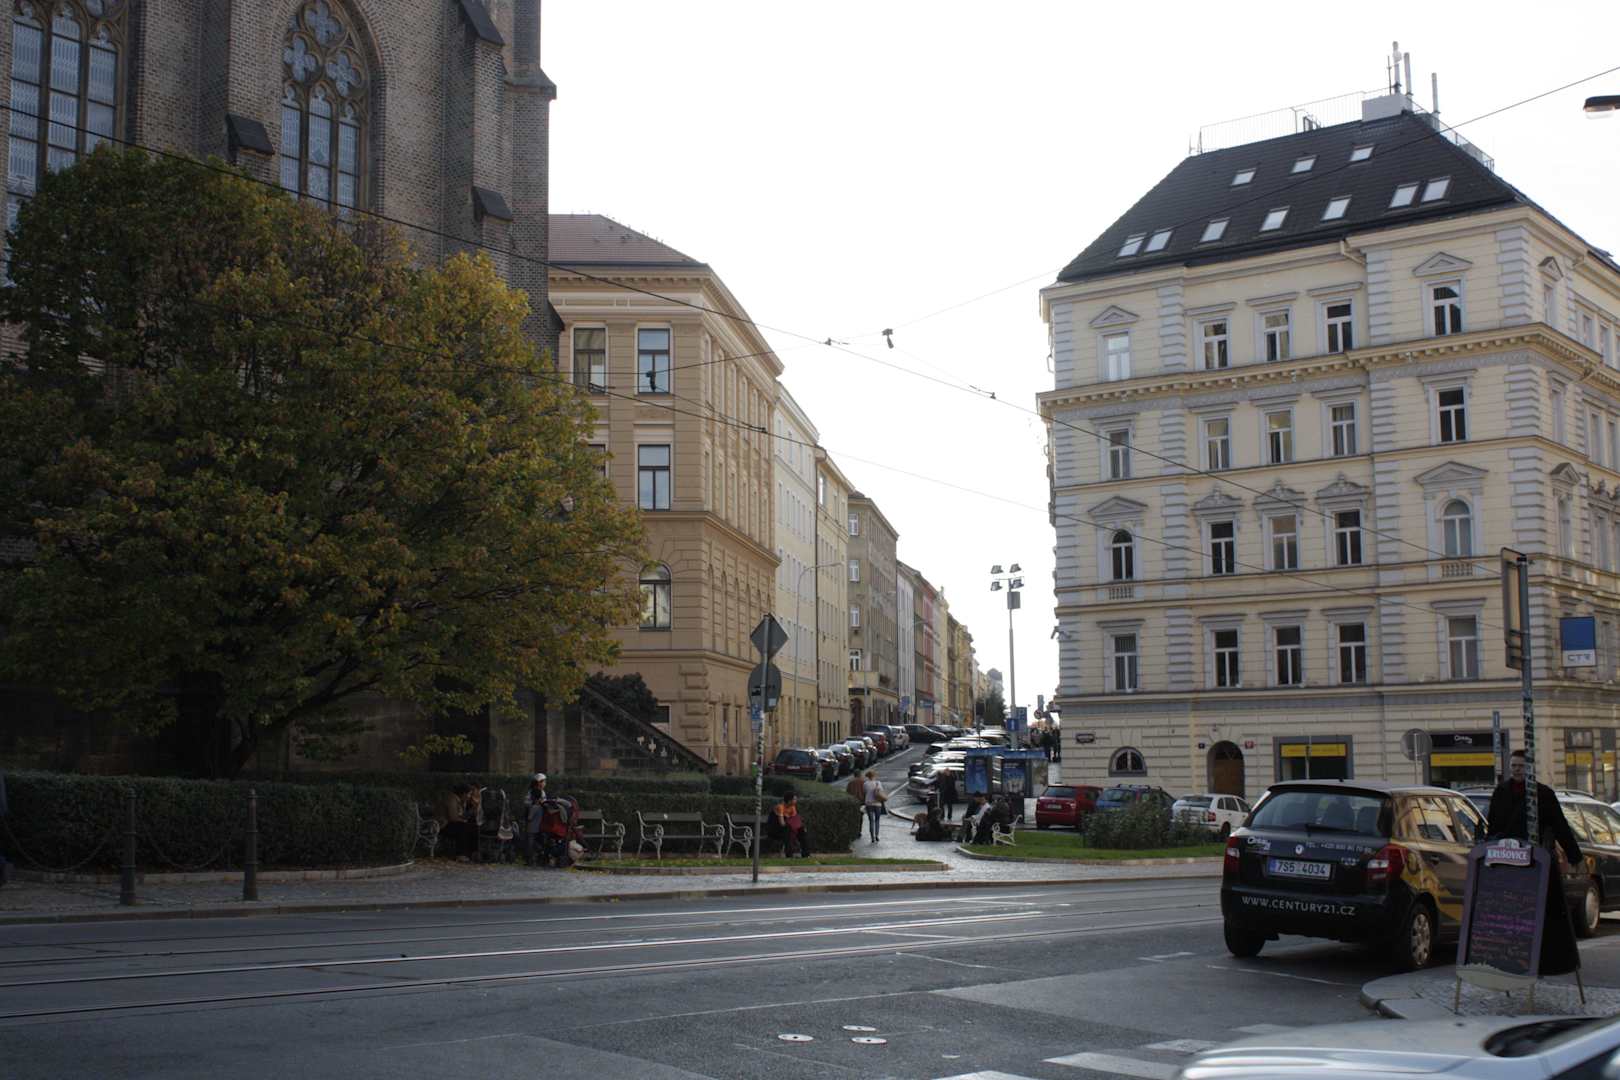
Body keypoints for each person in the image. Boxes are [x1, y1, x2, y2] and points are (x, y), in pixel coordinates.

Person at [1487, 750, 1584, 975]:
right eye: (1514, 765)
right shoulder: (1501, 792)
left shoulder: (1543, 794)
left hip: (1537, 865)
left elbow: (1560, 826)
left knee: (1544, 916)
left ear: (1530, 768)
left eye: (1521, 766)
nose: (1516, 770)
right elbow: (1492, 826)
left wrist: (1574, 856)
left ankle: (1547, 963)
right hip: (1507, 864)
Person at [771, 792, 811, 857]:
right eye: (794, 799)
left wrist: (801, 827)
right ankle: (789, 855)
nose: (796, 800)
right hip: (776, 829)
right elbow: (782, 823)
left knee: (802, 831)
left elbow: (795, 820)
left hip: (788, 828)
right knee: (788, 830)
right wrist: (793, 827)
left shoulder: (792, 807)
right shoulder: (780, 807)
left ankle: (806, 854)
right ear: (789, 801)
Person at [523, 773, 548, 866]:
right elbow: (527, 803)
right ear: (539, 782)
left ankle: (533, 858)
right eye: (543, 781)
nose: (545, 783)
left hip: (537, 820)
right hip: (534, 820)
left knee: (533, 839)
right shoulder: (534, 793)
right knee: (531, 839)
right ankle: (531, 858)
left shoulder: (541, 792)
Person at [862, 770, 886, 843]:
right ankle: (877, 835)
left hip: (869, 804)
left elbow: (864, 792)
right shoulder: (878, 783)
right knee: (877, 820)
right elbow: (881, 792)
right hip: (877, 804)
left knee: (871, 821)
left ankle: (872, 837)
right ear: (874, 776)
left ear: (868, 776)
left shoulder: (865, 784)